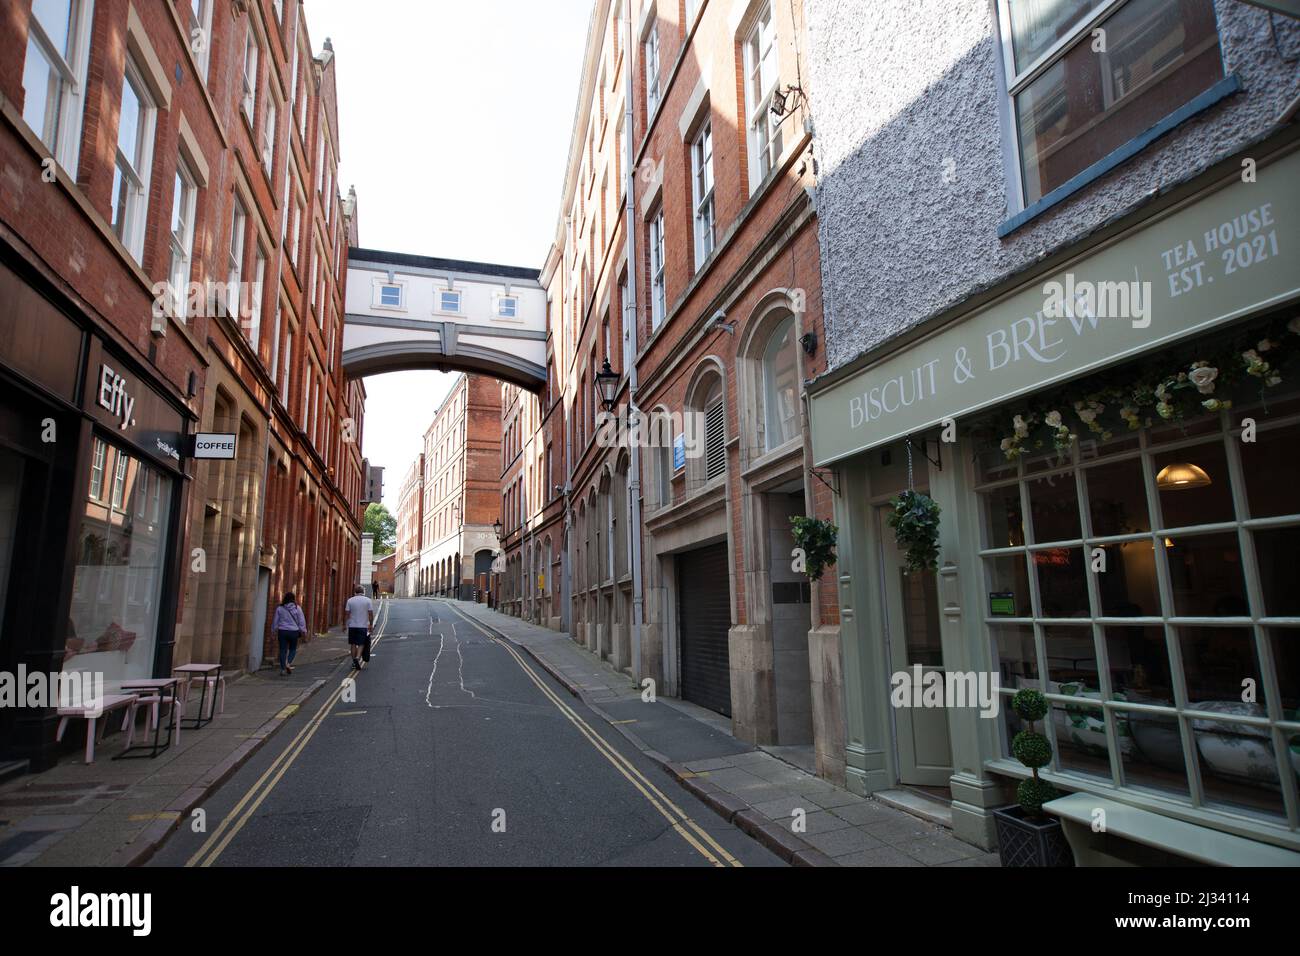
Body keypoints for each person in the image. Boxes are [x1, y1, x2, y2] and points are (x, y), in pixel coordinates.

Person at [272, 592, 308, 675]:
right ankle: (288, 664)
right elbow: (302, 621)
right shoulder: (297, 608)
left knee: (282, 650)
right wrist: (304, 631)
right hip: (294, 632)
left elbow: (275, 621)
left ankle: (283, 669)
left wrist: (273, 631)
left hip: (282, 631)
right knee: (292, 649)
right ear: (293, 599)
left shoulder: (280, 608)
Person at [344, 585, 375, 670]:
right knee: (361, 643)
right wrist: (371, 624)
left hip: (352, 626)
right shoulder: (368, 600)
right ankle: (358, 658)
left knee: (353, 644)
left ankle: (354, 661)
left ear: (355, 592)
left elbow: (347, 614)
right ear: (363, 592)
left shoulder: (350, 600)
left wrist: (344, 625)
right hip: (363, 626)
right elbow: (370, 614)